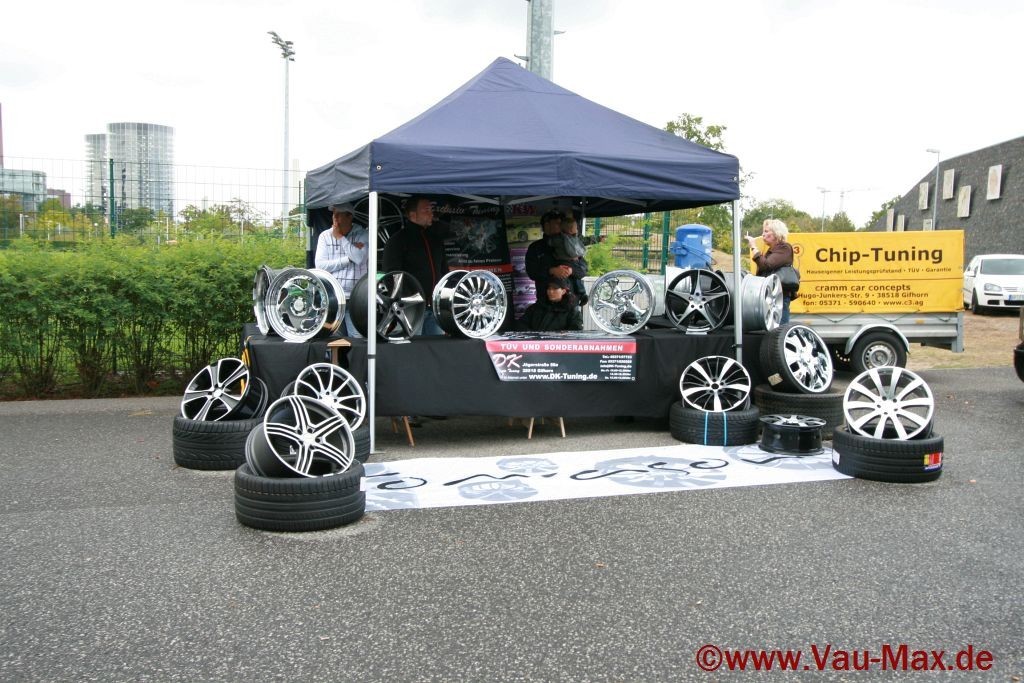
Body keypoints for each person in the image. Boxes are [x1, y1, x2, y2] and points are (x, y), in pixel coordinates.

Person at [382, 195, 450, 336]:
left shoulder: (436, 240)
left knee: (436, 347)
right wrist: (408, 299)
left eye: (431, 210)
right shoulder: (397, 240)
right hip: (410, 309)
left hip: (435, 307)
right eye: (426, 210)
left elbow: (444, 272)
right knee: (411, 347)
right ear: (413, 215)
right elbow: (391, 276)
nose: (431, 214)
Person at [314, 202, 368, 337]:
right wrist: (348, 258)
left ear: (350, 216)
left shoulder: (363, 234)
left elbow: (359, 258)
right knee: (334, 340)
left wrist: (340, 238)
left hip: (356, 297)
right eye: (333, 214)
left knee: (357, 338)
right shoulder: (325, 236)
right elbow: (320, 266)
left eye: (339, 214)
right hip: (333, 297)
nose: (335, 218)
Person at [524, 210, 588, 307]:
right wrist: (551, 271)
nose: (561, 226)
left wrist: (571, 270)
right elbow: (532, 272)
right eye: (558, 223)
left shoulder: (571, 244)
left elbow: (584, 270)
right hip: (546, 303)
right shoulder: (535, 247)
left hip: (571, 303)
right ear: (546, 225)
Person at [745, 218, 796, 323]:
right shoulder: (773, 250)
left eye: (766, 231)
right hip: (772, 296)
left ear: (776, 233)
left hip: (779, 297)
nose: (763, 234)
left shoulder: (785, 248)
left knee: (779, 329)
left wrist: (754, 247)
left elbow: (766, 265)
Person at [515, 277, 583, 332]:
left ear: (563, 291)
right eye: (549, 288)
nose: (550, 291)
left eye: (555, 288)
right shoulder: (535, 308)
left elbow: (575, 333)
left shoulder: (573, 312)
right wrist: (533, 337)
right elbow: (521, 325)